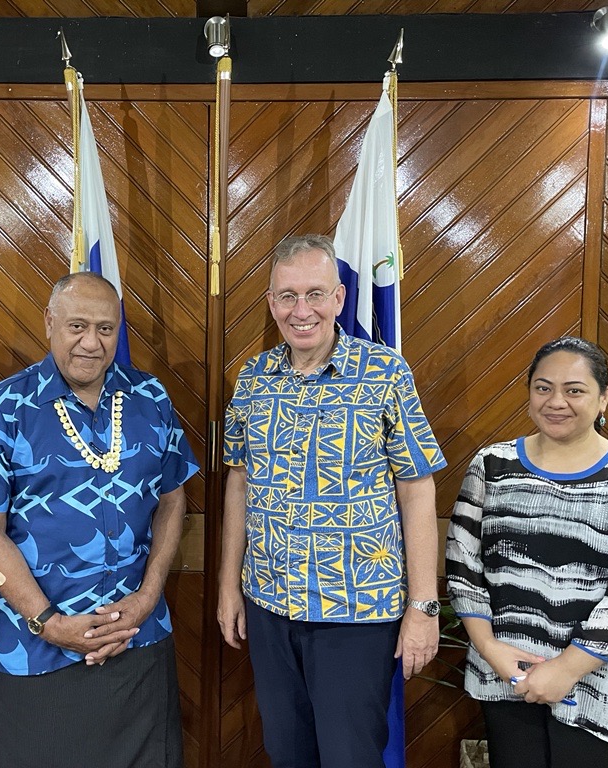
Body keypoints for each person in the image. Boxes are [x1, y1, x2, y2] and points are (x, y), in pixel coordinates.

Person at [0, 271, 199, 768]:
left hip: (136, 640)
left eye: (106, 329)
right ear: (50, 324)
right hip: (34, 652)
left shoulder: (151, 397)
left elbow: (173, 500)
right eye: (77, 326)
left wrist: (148, 598)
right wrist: (48, 622)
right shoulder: (2, 407)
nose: (91, 342)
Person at [218, 234, 447, 767]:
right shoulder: (252, 379)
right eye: (288, 296)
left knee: (350, 757)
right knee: (287, 754)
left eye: (315, 294)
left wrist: (423, 607)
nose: (302, 311)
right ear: (271, 302)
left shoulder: (385, 374)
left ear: (340, 299)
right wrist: (230, 585)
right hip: (270, 606)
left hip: (357, 613)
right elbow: (239, 482)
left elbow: (416, 491)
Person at [445, 336, 608, 768]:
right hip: (505, 676)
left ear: (604, 397)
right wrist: (491, 649)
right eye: (543, 387)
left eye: (575, 390)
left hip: (598, 686)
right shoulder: (492, 466)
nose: (556, 401)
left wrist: (567, 669)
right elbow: (463, 566)